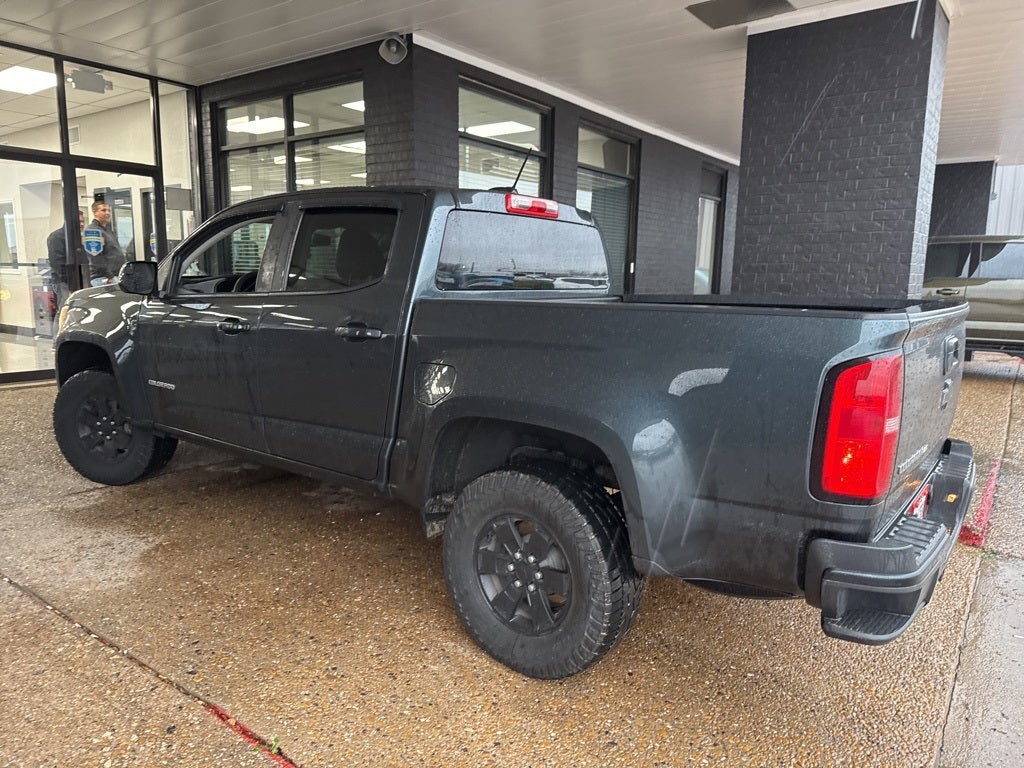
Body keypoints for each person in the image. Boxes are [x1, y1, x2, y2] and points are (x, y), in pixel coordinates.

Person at [45, 210, 85, 310]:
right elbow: (56, 262)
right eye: (79, 222)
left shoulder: (78, 237)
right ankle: (59, 327)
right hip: (63, 282)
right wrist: (68, 280)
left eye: (83, 221)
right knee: (64, 310)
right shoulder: (56, 237)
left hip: (78, 281)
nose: (82, 224)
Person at [85, 200, 126, 286]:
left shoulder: (108, 230)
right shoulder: (92, 231)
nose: (107, 213)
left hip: (115, 275)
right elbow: (96, 258)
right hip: (103, 278)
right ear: (94, 212)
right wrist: (110, 277)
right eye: (103, 210)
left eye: (109, 210)